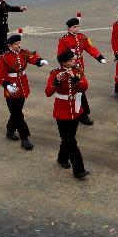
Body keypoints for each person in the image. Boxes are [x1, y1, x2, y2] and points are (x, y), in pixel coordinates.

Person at [0, 30, 47, 151]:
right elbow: (0, 75)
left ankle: (10, 129)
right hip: (11, 88)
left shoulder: (23, 53)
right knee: (18, 114)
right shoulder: (5, 57)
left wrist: (40, 61)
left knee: (16, 111)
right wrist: (6, 85)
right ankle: (25, 138)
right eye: (16, 44)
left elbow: (32, 57)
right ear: (10, 46)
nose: (18, 45)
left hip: (22, 86)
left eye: (19, 43)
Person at [45, 49, 89, 178]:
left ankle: (62, 158)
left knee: (68, 138)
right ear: (63, 63)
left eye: (73, 59)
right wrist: (56, 83)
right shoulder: (55, 73)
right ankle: (79, 169)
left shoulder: (77, 71)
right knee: (70, 141)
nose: (74, 61)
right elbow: (48, 93)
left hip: (75, 109)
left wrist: (74, 78)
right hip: (62, 111)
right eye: (71, 60)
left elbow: (84, 87)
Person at [57, 13, 106, 126]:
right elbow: (60, 57)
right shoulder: (64, 40)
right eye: (74, 27)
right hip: (70, 69)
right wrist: (67, 68)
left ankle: (82, 113)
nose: (76, 29)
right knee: (78, 90)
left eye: (77, 26)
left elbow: (89, 48)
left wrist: (99, 57)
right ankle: (82, 114)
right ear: (69, 28)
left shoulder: (82, 37)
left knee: (80, 89)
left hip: (80, 68)